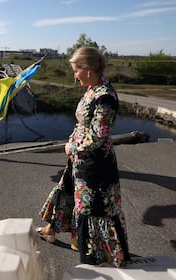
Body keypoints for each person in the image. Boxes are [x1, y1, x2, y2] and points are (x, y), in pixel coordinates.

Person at [36, 46, 130, 267]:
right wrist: (72, 140)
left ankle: (102, 261)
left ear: (87, 69)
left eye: (76, 70)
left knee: (93, 209)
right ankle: (51, 231)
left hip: (96, 166)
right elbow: (82, 124)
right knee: (68, 192)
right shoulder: (91, 89)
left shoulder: (105, 97)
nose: (74, 75)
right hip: (81, 160)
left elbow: (99, 136)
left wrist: (73, 148)